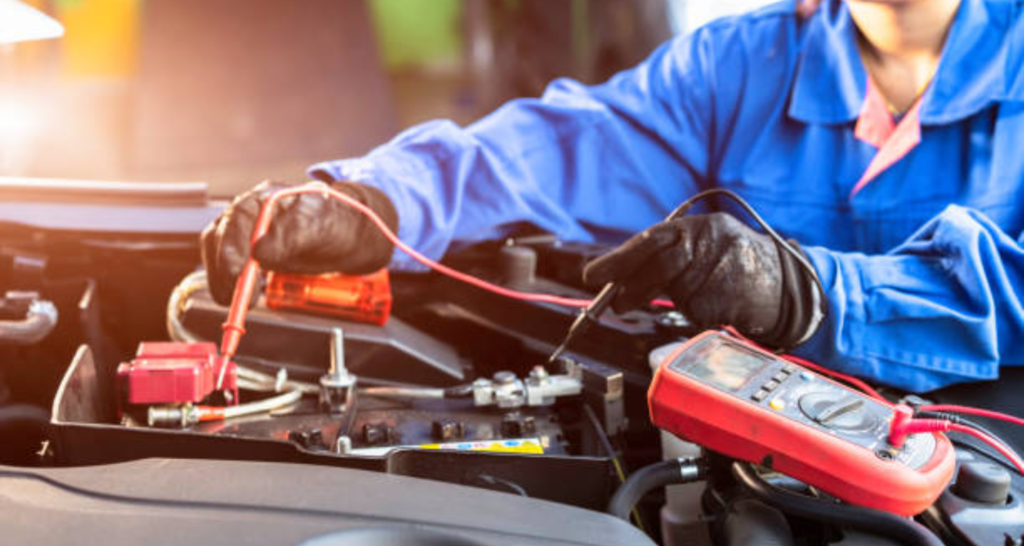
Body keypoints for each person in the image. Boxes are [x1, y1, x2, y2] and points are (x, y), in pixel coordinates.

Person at [201, 0, 1024, 394]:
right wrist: (381, 199)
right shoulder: (738, 65)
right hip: (745, 455)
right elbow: (563, 145)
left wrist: (810, 295)